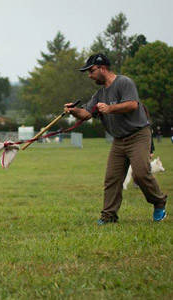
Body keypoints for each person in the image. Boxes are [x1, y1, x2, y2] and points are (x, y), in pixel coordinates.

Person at [64, 53, 167, 224]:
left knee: (141, 174)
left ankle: (159, 202)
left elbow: (133, 104)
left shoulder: (124, 83)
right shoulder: (99, 94)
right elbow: (87, 114)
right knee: (112, 178)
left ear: (102, 68)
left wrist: (110, 109)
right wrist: (74, 110)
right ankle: (109, 215)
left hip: (138, 135)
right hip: (119, 140)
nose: (89, 75)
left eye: (91, 71)